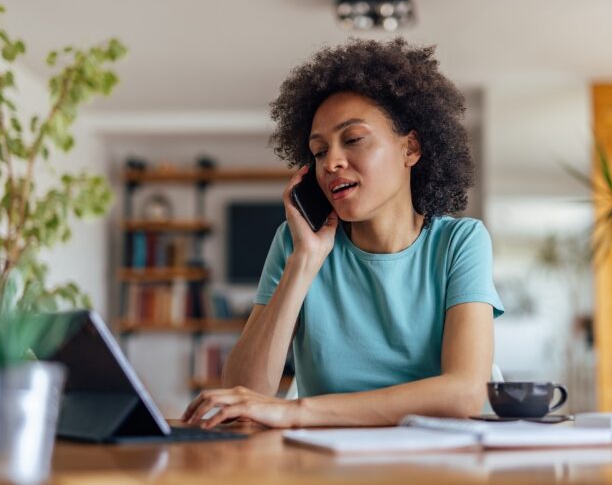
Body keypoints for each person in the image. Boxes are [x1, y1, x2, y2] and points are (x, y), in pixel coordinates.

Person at [182, 37, 504, 429]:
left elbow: (465, 393)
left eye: (353, 140)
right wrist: (305, 261)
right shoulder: (295, 243)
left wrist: (297, 411)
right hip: (328, 460)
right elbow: (246, 392)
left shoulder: (460, 242)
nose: (331, 162)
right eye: (319, 151)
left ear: (411, 148)